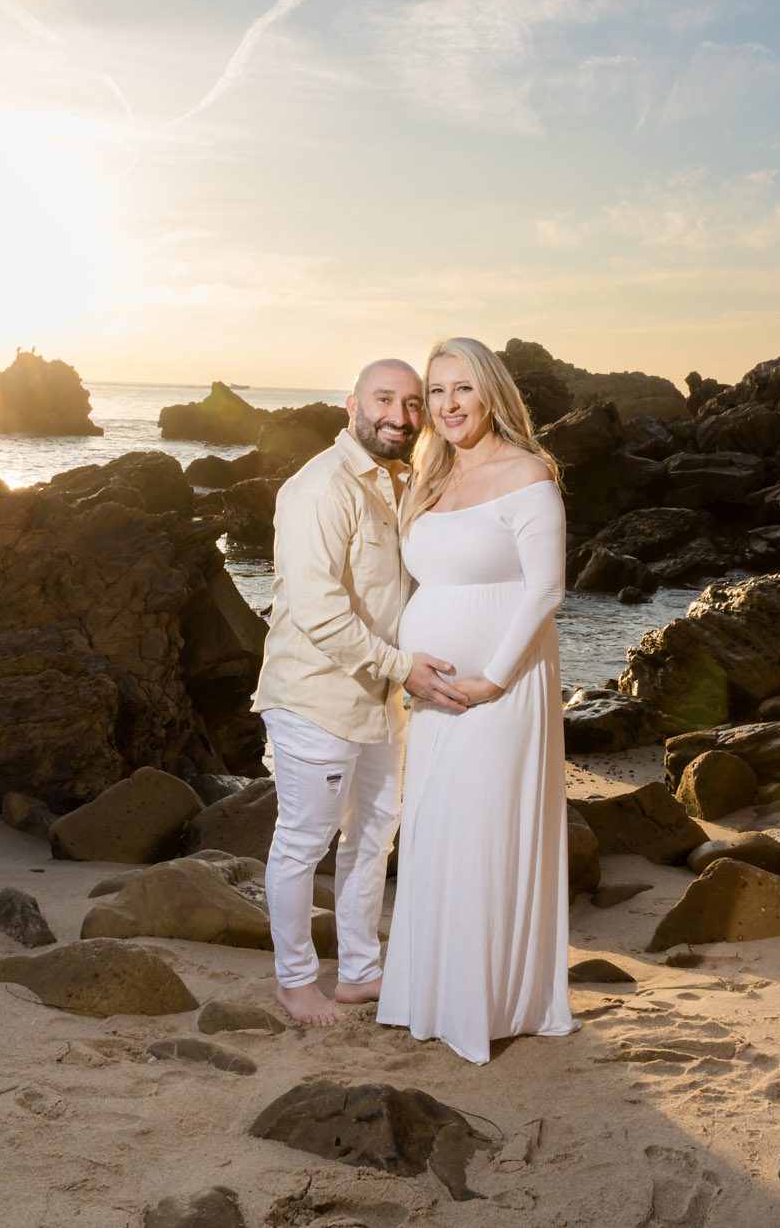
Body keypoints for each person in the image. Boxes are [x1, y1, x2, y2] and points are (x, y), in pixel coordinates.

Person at [376, 336, 579, 1064]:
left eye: (461, 388)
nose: (448, 404)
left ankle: (487, 1002)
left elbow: (545, 588)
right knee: (435, 829)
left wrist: (493, 676)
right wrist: (402, 666)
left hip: (500, 686)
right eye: (436, 391)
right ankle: (426, 994)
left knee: (485, 829)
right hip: (430, 691)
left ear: (490, 391)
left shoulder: (527, 472)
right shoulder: (430, 476)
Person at [250, 358, 468, 1027]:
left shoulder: (397, 483)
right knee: (303, 841)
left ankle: (360, 971)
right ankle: (293, 982)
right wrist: (403, 666)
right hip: (317, 696)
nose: (399, 416)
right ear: (352, 405)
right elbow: (319, 611)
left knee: (372, 834)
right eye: (384, 399)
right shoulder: (321, 488)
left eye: (410, 403)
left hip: (377, 699)